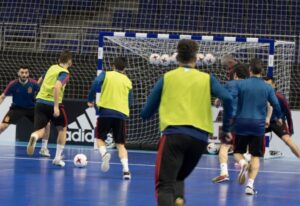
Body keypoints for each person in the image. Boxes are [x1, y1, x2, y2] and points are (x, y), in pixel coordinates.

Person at [141, 39, 233, 206]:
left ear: (177, 58)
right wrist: (226, 129)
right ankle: (179, 200)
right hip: (199, 139)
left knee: (165, 185)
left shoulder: (167, 78)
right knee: (179, 178)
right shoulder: (207, 78)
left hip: (174, 136)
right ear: (196, 58)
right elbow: (227, 98)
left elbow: (145, 113)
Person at [233, 58, 282, 195]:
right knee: (255, 156)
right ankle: (250, 186)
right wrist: (278, 118)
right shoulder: (267, 87)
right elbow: (276, 105)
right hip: (258, 125)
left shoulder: (240, 85)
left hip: (242, 122)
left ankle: (242, 163)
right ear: (262, 72)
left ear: (249, 70)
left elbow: (230, 97)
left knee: (237, 152)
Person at [87, 57, 133, 180]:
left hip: (106, 112)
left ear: (113, 66)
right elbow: (130, 101)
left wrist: (90, 99)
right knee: (121, 144)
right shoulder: (128, 81)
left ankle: (104, 153)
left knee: (100, 138)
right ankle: (126, 171)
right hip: (121, 114)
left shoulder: (106, 74)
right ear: (125, 69)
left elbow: (95, 83)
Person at [26, 50, 72, 167]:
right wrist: (56, 107)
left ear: (58, 60)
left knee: (41, 129)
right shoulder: (65, 73)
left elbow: (40, 80)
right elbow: (57, 87)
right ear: (70, 62)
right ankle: (57, 158)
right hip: (53, 103)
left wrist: (39, 92)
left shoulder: (51, 68)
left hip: (40, 101)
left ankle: (34, 136)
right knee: (62, 129)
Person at [0, 66, 51, 157]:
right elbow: (2, 96)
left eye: (26, 73)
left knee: (47, 124)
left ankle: (43, 149)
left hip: (32, 109)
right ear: (18, 74)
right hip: (16, 109)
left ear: (28, 74)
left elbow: (42, 94)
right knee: (2, 126)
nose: (24, 75)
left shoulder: (34, 84)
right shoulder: (13, 84)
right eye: (22, 73)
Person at [212, 63, 250, 183]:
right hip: (249, 120)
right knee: (239, 149)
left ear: (235, 74)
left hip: (232, 119)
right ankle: (243, 162)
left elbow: (218, 101)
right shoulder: (251, 86)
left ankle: (224, 173)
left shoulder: (230, 84)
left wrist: (218, 101)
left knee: (225, 146)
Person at [263, 77, 300, 158]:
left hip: (278, 122)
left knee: (288, 141)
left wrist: (291, 128)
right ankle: (245, 160)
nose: (267, 87)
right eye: (265, 85)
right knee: (250, 137)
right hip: (265, 121)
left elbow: (288, 113)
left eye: (269, 85)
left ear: (274, 85)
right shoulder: (261, 96)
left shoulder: (280, 97)